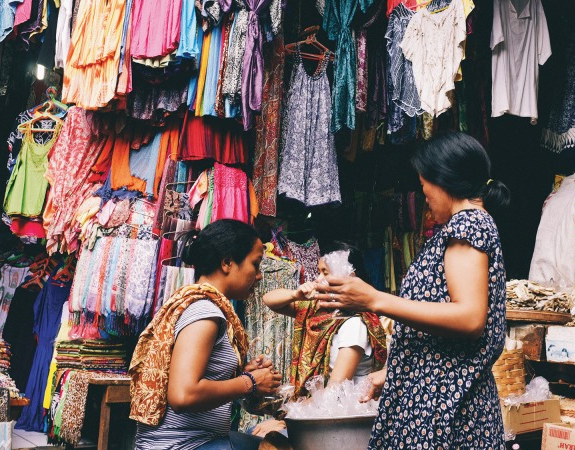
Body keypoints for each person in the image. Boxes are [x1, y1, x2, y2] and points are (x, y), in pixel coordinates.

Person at [314, 131, 510, 449]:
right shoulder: (467, 226)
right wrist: (395, 370)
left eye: (424, 185)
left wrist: (374, 299)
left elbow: (470, 318)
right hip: (437, 399)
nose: (424, 195)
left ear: (444, 178)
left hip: (447, 408)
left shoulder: (468, 226)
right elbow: (442, 334)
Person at [130, 219, 284, 450]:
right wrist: (249, 382)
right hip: (184, 446)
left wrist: (241, 374)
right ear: (227, 263)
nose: (259, 275)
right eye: (255, 264)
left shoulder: (202, 306)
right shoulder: (205, 313)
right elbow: (183, 395)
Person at [251, 242, 388, 438]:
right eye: (318, 272)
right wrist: (296, 294)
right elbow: (269, 300)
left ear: (348, 278)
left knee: (265, 438)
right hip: (317, 411)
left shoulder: (354, 324)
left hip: (343, 420)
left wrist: (284, 419)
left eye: (325, 273)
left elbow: (335, 392)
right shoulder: (319, 313)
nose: (317, 279)